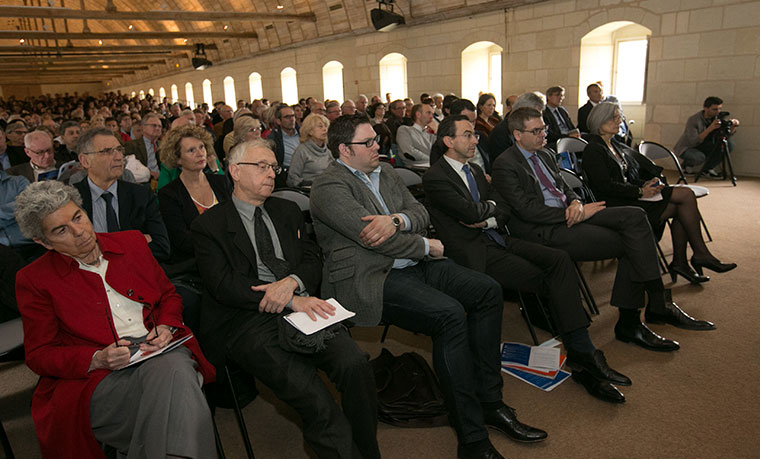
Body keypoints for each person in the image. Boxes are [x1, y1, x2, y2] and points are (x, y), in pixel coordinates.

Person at [311, 115, 547, 459]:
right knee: (449, 315)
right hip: (372, 278)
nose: (379, 146)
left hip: (415, 265)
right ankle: (472, 440)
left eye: (377, 139)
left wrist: (397, 220)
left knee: (487, 290)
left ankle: (490, 402)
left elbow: (420, 212)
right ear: (345, 150)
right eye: (369, 143)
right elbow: (373, 241)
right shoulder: (328, 186)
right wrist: (426, 246)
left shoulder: (386, 171)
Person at [191, 139, 380, 459]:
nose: (271, 174)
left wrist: (292, 283)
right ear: (234, 171)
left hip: (302, 305)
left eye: (273, 167)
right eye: (261, 166)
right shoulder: (209, 225)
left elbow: (312, 259)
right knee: (315, 399)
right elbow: (224, 286)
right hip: (246, 318)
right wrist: (289, 298)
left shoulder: (287, 210)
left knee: (355, 365)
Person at [423, 115, 630, 403]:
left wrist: (488, 217)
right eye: (468, 135)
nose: (475, 140)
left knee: (560, 260)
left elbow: (502, 209)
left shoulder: (473, 170)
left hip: (497, 238)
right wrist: (488, 211)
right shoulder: (435, 177)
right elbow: (469, 212)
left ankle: (582, 351)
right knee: (551, 278)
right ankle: (583, 356)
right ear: (449, 141)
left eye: (474, 135)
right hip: (473, 252)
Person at [14, 180, 216, 459]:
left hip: (158, 352)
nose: (80, 232)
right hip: (98, 380)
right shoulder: (34, 279)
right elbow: (39, 355)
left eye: (78, 217)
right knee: (179, 391)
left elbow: (169, 295)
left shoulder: (131, 242)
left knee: (171, 370)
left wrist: (167, 326)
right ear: (43, 242)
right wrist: (96, 358)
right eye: (62, 230)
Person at [491, 108, 715, 347]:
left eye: (544, 128)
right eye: (536, 131)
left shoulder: (545, 154)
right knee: (631, 242)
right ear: (517, 134)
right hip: (546, 230)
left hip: (572, 213)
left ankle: (654, 305)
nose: (543, 134)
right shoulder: (505, 164)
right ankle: (637, 318)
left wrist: (576, 202)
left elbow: (564, 188)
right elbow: (527, 210)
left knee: (636, 217)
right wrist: (571, 213)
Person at [581, 102, 736, 284]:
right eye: (613, 117)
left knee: (683, 203)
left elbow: (626, 178)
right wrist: (640, 191)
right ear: (600, 122)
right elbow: (605, 187)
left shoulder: (614, 144)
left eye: (619, 116)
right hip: (616, 204)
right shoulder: (593, 149)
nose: (619, 121)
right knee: (685, 198)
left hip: (628, 195)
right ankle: (694, 257)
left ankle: (685, 261)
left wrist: (646, 183)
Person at [73, 128, 171, 262]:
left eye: (119, 150)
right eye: (107, 151)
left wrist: (102, 248)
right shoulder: (71, 200)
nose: (119, 157)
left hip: (135, 272)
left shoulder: (141, 195)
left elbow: (162, 248)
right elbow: (70, 251)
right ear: (85, 161)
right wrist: (137, 240)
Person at [158, 125, 232, 264]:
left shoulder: (221, 182)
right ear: (177, 158)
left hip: (231, 255)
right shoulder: (169, 194)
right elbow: (182, 241)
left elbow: (235, 220)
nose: (200, 153)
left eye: (201, 147)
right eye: (191, 150)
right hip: (196, 262)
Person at [673, 96, 740, 176]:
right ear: (705, 108)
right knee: (699, 157)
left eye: (720, 109)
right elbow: (693, 141)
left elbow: (725, 137)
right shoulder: (694, 120)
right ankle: (685, 166)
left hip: (706, 145)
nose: (718, 112)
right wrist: (710, 128)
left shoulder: (718, 118)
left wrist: (732, 126)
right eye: (714, 109)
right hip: (688, 147)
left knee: (729, 144)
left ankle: (707, 169)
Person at [287, 113, 333, 188]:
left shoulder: (327, 150)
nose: (325, 129)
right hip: (308, 191)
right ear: (310, 131)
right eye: (320, 126)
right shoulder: (302, 150)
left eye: (326, 126)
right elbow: (292, 178)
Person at [543, 86, 580, 152]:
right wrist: (567, 136)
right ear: (549, 97)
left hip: (569, 137)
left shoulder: (562, 110)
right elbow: (549, 134)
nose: (561, 98)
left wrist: (575, 132)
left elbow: (571, 126)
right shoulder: (544, 112)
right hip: (557, 140)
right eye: (557, 95)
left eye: (562, 96)